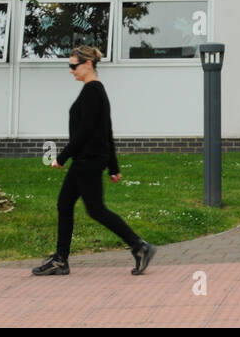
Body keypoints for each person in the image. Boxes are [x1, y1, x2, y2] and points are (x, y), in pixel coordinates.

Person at [32, 45, 156, 277]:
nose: (71, 70)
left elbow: (86, 131)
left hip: (87, 160)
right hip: (90, 159)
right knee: (66, 204)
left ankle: (139, 246)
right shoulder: (96, 91)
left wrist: (62, 156)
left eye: (73, 65)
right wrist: (113, 166)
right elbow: (106, 130)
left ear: (87, 64)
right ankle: (61, 259)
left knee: (95, 209)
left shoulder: (92, 91)